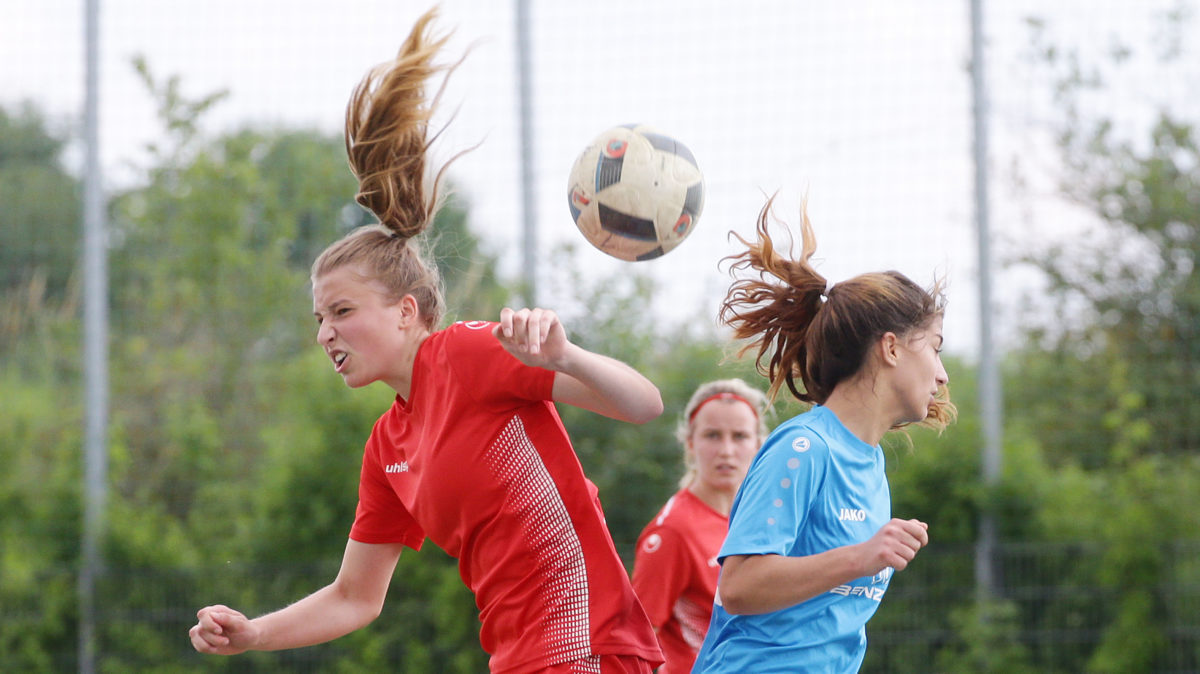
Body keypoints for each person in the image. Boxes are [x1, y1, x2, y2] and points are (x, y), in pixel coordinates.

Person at [188, 8, 665, 673]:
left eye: (343, 310)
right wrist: (253, 634)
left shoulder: (469, 354)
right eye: (318, 319)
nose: (326, 332)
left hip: (592, 651)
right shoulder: (389, 445)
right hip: (522, 661)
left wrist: (564, 357)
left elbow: (643, 404)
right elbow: (356, 596)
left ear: (407, 311)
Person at [691, 196, 956, 673]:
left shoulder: (869, 461)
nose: (942, 376)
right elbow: (739, 587)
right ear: (891, 348)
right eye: (934, 349)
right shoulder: (804, 448)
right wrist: (861, 556)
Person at [630, 379, 768, 673]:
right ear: (690, 443)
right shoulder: (673, 531)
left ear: (759, 444)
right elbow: (634, 643)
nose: (727, 450)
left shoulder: (769, 520)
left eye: (740, 436)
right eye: (713, 435)